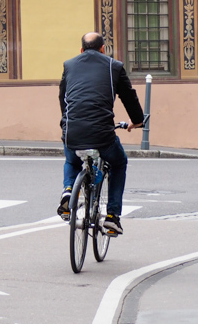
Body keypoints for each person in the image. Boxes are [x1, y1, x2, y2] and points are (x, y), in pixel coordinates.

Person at [57, 31, 145, 236]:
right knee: (118, 163)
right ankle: (113, 216)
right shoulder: (113, 66)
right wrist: (137, 121)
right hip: (102, 134)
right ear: (103, 49)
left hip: (72, 130)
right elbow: (128, 96)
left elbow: (63, 97)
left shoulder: (69, 65)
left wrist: (67, 123)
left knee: (72, 160)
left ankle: (68, 191)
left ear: (81, 50)